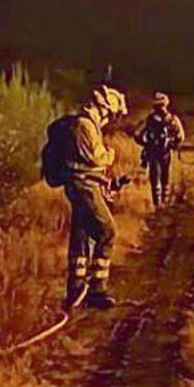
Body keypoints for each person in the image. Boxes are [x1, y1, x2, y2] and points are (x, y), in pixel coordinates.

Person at [42, 84, 128, 309]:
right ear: (105, 109)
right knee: (107, 231)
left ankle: (76, 288)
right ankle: (97, 288)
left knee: (81, 235)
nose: (111, 119)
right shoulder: (85, 126)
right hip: (83, 186)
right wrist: (110, 155)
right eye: (112, 114)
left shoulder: (87, 125)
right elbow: (97, 158)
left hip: (83, 184)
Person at [133, 92, 185, 207]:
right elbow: (138, 134)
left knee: (164, 176)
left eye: (161, 105)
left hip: (163, 151)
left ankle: (163, 202)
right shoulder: (152, 120)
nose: (160, 108)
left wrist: (172, 144)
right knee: (156, 177)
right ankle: (158, 203)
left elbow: (180, 136)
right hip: (155, 152)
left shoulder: (171, 119)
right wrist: (146, 143)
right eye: (158, 106)